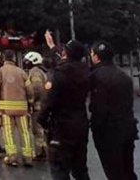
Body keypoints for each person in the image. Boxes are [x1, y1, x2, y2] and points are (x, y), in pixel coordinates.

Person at [38, 40, 90, 180]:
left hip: (61, 127)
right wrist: (53, 47)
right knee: (80, 169)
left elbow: (49, 101)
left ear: (67, 54)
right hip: (80, 125)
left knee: (60, 169)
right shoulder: (86, 72)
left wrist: (42, 119)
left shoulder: (60, 74)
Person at [89, 41, 138, 180]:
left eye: (92, 54)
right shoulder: (124, 76)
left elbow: (100, 108)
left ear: (96, 57)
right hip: (128, 127)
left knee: (114, 172)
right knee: (128, 170)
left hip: (108, 132)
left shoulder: (96, 76)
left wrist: (95, 127)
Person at [0, 49, 35, 167]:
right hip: (22, 109)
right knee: (25, 132)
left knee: (8, 133)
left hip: (6, 110)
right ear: (14, 58)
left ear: (4, 58)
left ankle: (12, 157)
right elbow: (30, 90)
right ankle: (28, 158)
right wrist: (30, 103)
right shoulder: (21, 72)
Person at [24, 51, 49, 160]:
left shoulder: (35, 72)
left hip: (38, 106)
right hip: (42, 105)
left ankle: (41, 151)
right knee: (40, 129)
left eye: (28, 61)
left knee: (37, 129)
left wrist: (30, 100)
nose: (26, 63)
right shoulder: (39, 71)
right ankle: (42, 149)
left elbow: (36, 89)